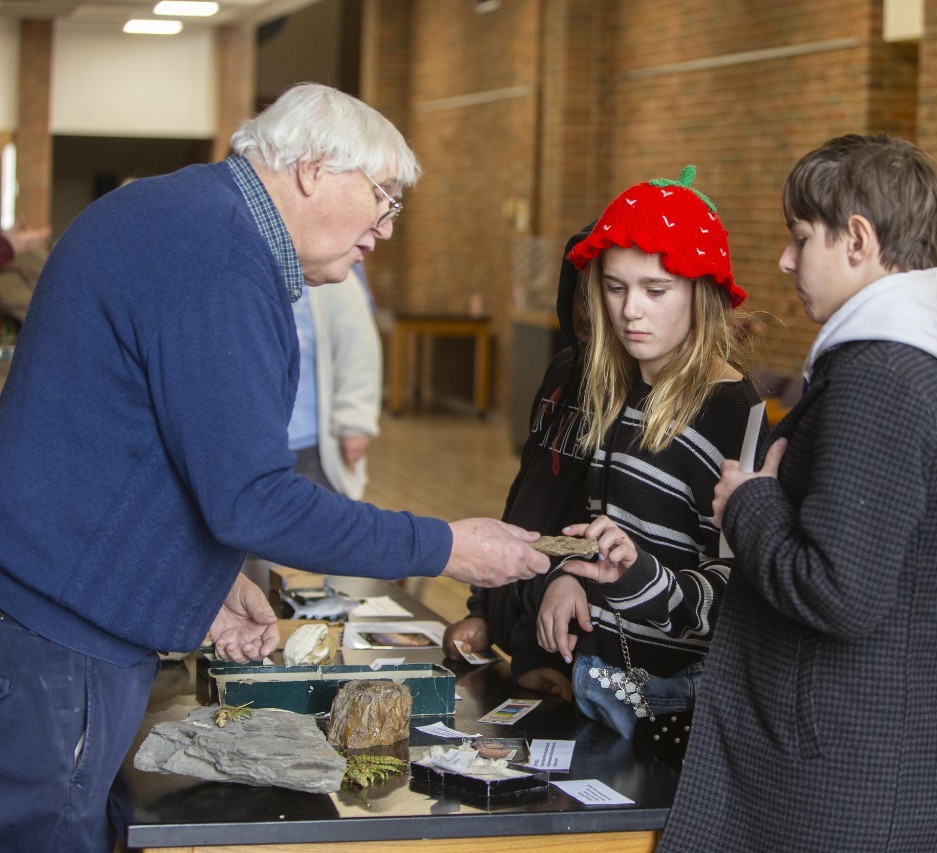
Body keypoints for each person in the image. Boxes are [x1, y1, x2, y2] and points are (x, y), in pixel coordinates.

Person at [0, 83, 548, 852]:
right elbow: (254, 499)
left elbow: (146, 438)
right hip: (59, 638)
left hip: (50, 613)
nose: (387, 226)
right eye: (383, 196)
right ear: (314, 169)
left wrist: (203, 579)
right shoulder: (222, 260)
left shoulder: (189, 216)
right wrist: (448, 545)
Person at [658, 134, 937, 852]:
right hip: (870, 763)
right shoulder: (910, 363)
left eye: (801, 237)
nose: (786, 260)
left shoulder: (881, 378)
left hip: (849, 779)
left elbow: (839, 591)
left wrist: (746, 504)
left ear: (859, 240)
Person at [517, 165, 762, 741]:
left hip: (670, 708)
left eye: (656, 290)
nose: (631, 310)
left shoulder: (731, 412)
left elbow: (733, 596)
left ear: (702, 292)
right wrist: (567, 576)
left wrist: (638, 577)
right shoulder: (619, 384)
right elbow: (595, 533)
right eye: (615, 287)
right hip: (596, 684)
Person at [442, 223, 595, 702]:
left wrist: (536, 651)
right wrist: (484, 611)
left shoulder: (638, 400)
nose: (588, 309)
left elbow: (591, 547)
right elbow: (523, 500)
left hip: (560, 654)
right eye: (580, 292)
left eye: (606, 292)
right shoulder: (563, 370)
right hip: (519, 643)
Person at [286, 265, 381, 499]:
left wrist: (355, 423)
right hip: (260, 442)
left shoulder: (336, 274)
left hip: (312, 442)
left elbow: (358, 351)